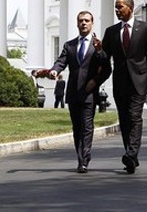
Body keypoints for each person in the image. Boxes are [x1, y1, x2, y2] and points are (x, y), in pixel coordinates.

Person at [94, 0, 147, 174]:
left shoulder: (145, 28)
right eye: (116, 8)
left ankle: (131, 154)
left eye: (120, 7)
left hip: (139, 81)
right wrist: (99, 50)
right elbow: (104, 59)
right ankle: (131, 156)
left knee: (134, 117)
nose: (117, 11)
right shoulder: (111, 32)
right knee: (124, 119)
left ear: (130, 8)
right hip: (120, 82)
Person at [40, 11, 112, 173]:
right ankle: (81, 157)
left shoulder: (97, 46)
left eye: (87, 21)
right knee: (77, 128)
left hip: (89, 93)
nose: (84, 23)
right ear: (77, 23)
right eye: (81, 21)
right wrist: (54, 71)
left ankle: (83, 160)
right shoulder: (69, 45)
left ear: (92, 23)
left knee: (87, 126)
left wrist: (95, 80)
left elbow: (106, 68)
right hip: (73, 93)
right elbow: (61, 62)